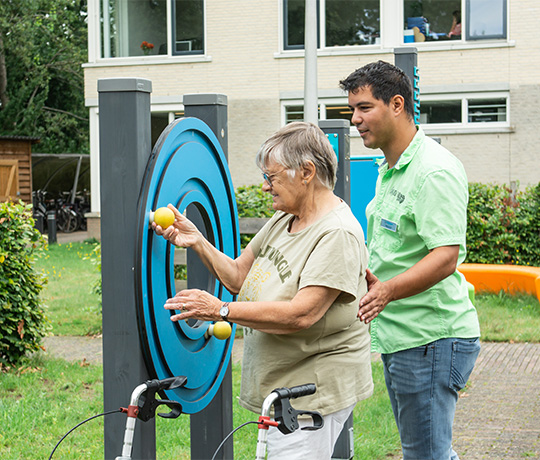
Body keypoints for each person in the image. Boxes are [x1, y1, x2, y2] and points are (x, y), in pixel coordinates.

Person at [153, 121, 373, 459]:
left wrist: (221, 310)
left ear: (307, 172)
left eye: (271, 177)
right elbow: (240, 275)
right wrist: (197, 241)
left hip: (310, 393)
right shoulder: (285, 218)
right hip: (283, 388)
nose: (266, 186)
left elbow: (303, 313)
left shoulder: (337, 233)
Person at [339, 61, 481, 460]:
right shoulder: (390, 166)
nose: (355, 119)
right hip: (407, 338)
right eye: (352, 109)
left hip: (431, 340)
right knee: (427, 453)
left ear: (397, 104)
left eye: (364, 108)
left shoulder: (433, 170)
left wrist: (386, 291)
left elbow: (445, 257)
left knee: (427, 456)